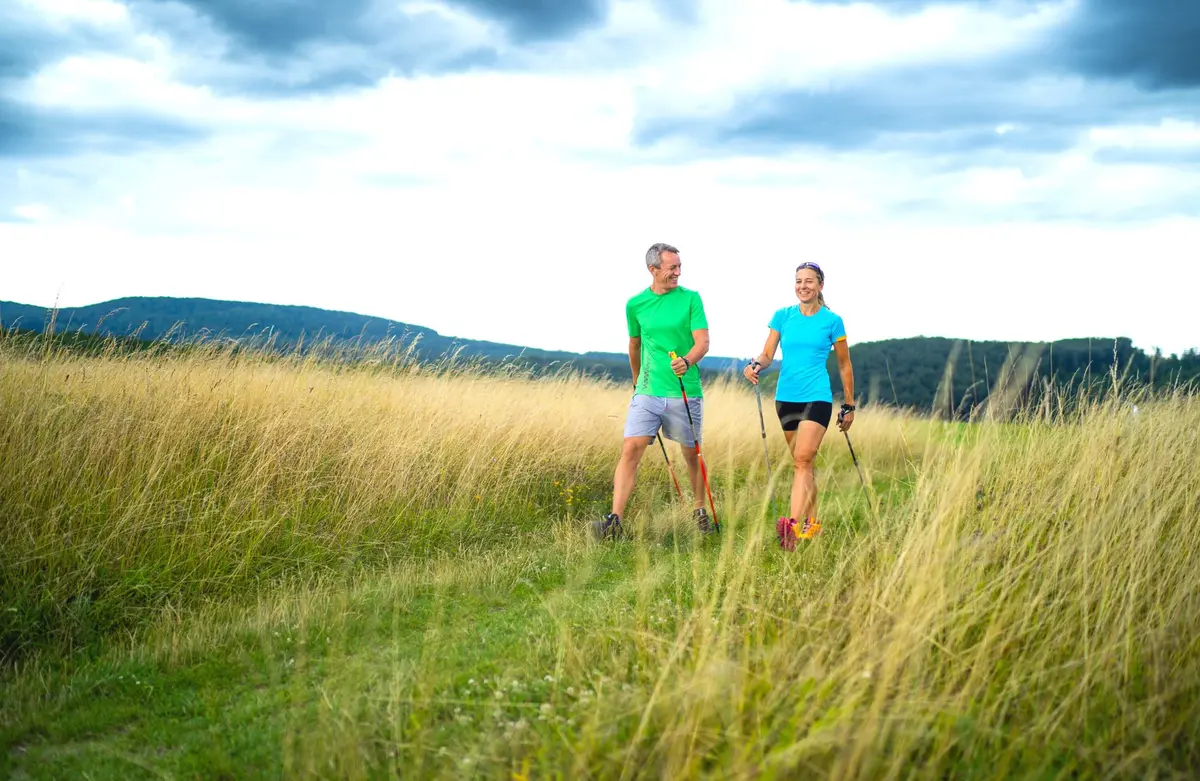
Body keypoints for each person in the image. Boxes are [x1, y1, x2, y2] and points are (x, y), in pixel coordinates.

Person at [593, 242, 713, 540]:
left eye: (679, 267)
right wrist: (637, 381)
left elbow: (703, 342)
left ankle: (699, 512)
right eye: (672, 267)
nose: (678, 272)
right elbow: (634, 344)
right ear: (653, 269)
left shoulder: (691, 299)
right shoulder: (635, 304)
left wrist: (687, 360)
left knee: (690, 454)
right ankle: (614, 522)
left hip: (683, 390)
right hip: (647, 391)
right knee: (631, 448)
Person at [743, 261, 855, 550]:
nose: (803, 286)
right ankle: (812, 522)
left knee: (803, 460)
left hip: (817, 397)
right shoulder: (782, 316)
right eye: (798, 281)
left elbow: (844, 365)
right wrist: (756, 365)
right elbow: (768, 353)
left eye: (809, 281)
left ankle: (791, 527)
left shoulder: (833, 321)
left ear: (820, 285)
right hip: (786, 397)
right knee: (803, 464)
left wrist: (849, 404)